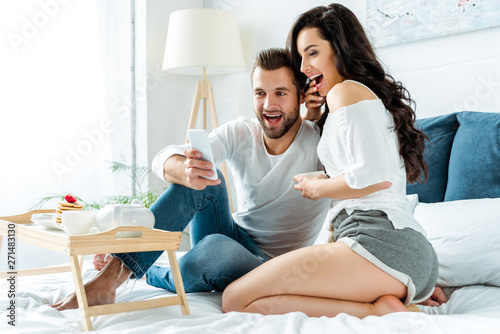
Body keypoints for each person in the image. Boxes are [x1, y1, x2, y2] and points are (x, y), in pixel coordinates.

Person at [50, 47, 331, 310]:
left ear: (300, 95)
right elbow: (165, 157)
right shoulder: (242, 132)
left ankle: (153, 273)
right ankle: (108, 281)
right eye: (260, 93)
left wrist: (317, 114)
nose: (268, 105)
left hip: (272, 264)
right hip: (232, 233)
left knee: (214, 251)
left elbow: (360, 181)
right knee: (205, 175)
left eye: (281, 93)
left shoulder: (322, 142)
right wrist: (185, 170)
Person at [222, 4, 440, 318]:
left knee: (234, 298)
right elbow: (370, 174)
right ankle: (378, 306)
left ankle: (375, 311)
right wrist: (312, 115)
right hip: (398, 254)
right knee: (256, 305)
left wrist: (318, 187)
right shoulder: (357, 98)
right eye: (301, 57)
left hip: (379, 244)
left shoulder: (346, 92)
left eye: (312, 53)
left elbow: (375, 178)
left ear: (340, 49)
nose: (305, 67)